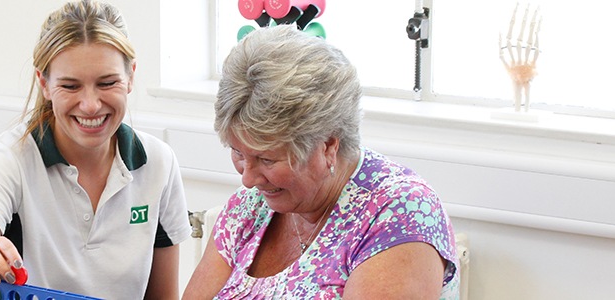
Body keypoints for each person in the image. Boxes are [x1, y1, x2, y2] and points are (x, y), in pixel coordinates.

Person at [0, 1, 191, 299]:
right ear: (44, 83)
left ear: (131, 76)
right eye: (70, 86)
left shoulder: (158, 163)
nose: (91, 104)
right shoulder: (10, 159)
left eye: (107, 82)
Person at [183, 25, 459, 299]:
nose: (248, 179)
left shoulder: (399, 215)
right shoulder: (249, 207)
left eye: (267, 159)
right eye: (239, 153)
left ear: (328, 145)